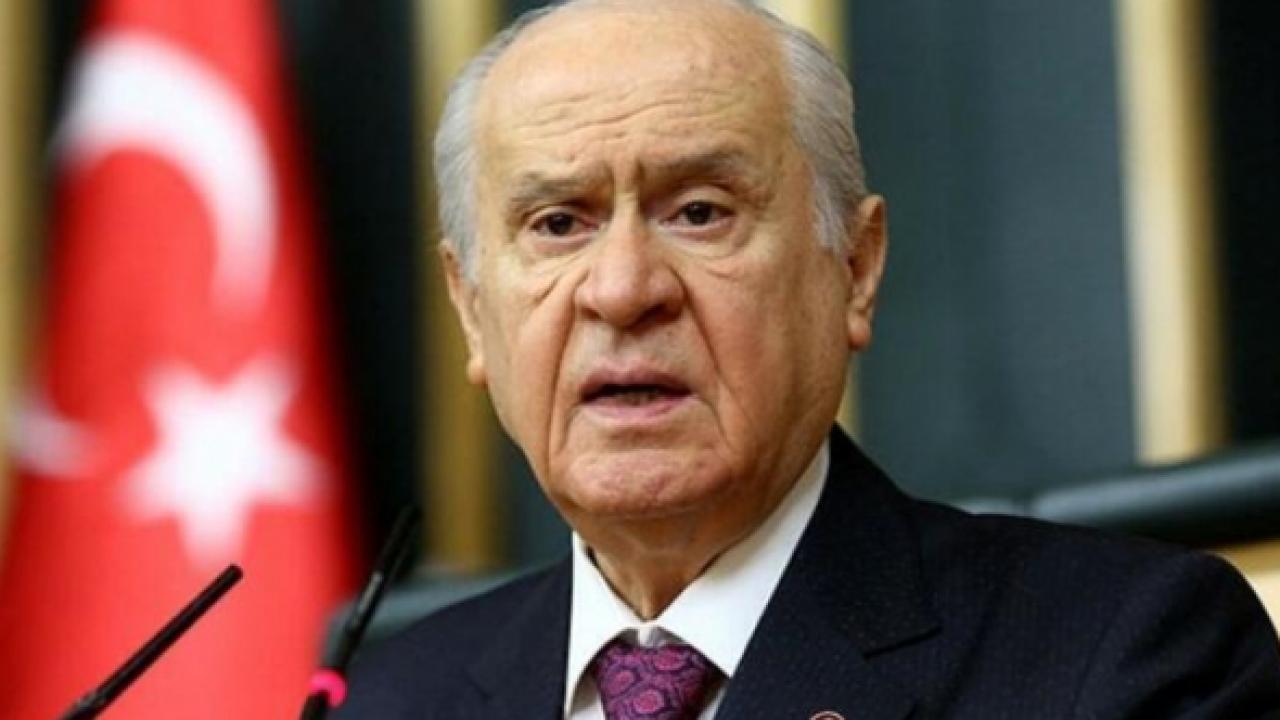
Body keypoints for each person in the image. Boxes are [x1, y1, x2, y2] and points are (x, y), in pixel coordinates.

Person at [337, 1, 1280, 717]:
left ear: (855, 271)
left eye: (699, 212)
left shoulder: (1123, 656)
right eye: (557, 224)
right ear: (471, 311)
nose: (621, 290)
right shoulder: (391, 700)